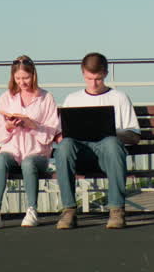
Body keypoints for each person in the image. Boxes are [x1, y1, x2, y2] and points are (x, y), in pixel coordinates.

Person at [54, 52, 139, 229]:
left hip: (108, 156)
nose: (93, 84)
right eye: (89, 78)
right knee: (64, 146)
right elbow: (63, 135)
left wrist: (113, 133)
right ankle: (68, 209)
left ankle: (116, 209)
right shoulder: (72, 99)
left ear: (105, 74)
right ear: (83, 73)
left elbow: (134, 136)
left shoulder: (119, 98)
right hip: (80, 156)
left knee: (111, 142)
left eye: (98, 79)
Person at [0, 55, 60, 229]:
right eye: (18, 78)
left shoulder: (46, 98)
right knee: (2, 158)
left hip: (37, 153)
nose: (22, 82)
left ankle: (32, 209)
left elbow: (52, 131)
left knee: (28, 163)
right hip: (13, 150)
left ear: (33, 75)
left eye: (25, 78)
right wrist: (9, 126)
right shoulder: (6, 97)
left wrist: (33, 125)